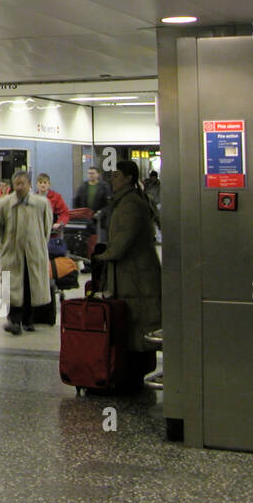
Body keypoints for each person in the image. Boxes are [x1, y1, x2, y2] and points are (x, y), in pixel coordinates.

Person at [91, 160, 162, 387]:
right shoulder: (128, 201)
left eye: (117, 175)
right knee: (135, 321)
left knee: (137, 321)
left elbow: (124, 241)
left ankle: (134, 375)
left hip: (135, 274)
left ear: (129, 178)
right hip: (133, 272)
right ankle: (133, 372)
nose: (112, 179)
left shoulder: (130, 204)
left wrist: (103, 256)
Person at [0, 169, 53, 335]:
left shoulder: (41, 204)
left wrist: (41, 245)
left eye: (22, 183)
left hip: (33, 252)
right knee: (13, 287)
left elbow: (47, 226)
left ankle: (28, 320)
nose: (18, 187)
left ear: (29, 184)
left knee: (30, 286)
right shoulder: (3, 204)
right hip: (13, 252)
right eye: (16, 184)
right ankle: (14, 320)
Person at [73, 166, 113, 242]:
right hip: (86, 219)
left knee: (100, 240)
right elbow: (76, 201)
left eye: (92, 173)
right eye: (89, 173)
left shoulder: (104, 186)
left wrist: (101, 212)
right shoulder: (83, 186)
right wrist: (79, 213)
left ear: (98, 174)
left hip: (99, 220)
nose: (90, 175)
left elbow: (108, 204)